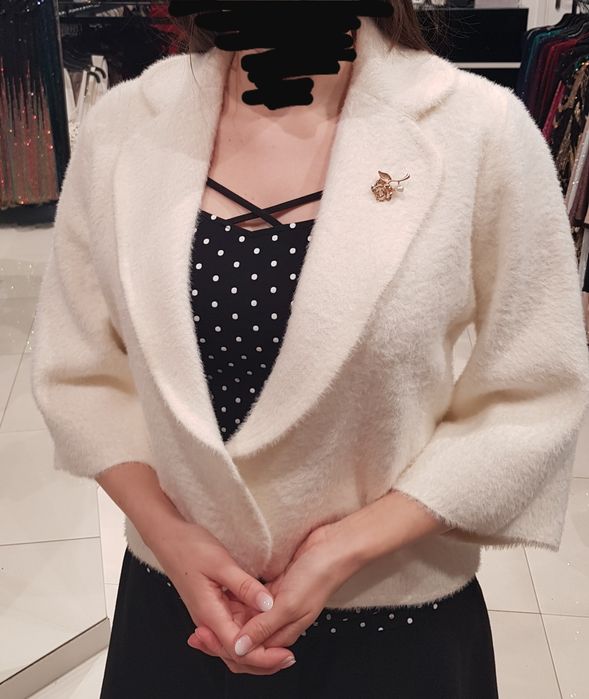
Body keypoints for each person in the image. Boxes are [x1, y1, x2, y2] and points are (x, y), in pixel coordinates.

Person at [30, 1, 589, 697]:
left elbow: (531, 394)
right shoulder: (124, 125)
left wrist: (343, 546)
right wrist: (169, 535)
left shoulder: (480, 130)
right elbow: (81, 372)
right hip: (178, 605)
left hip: (389, 622)